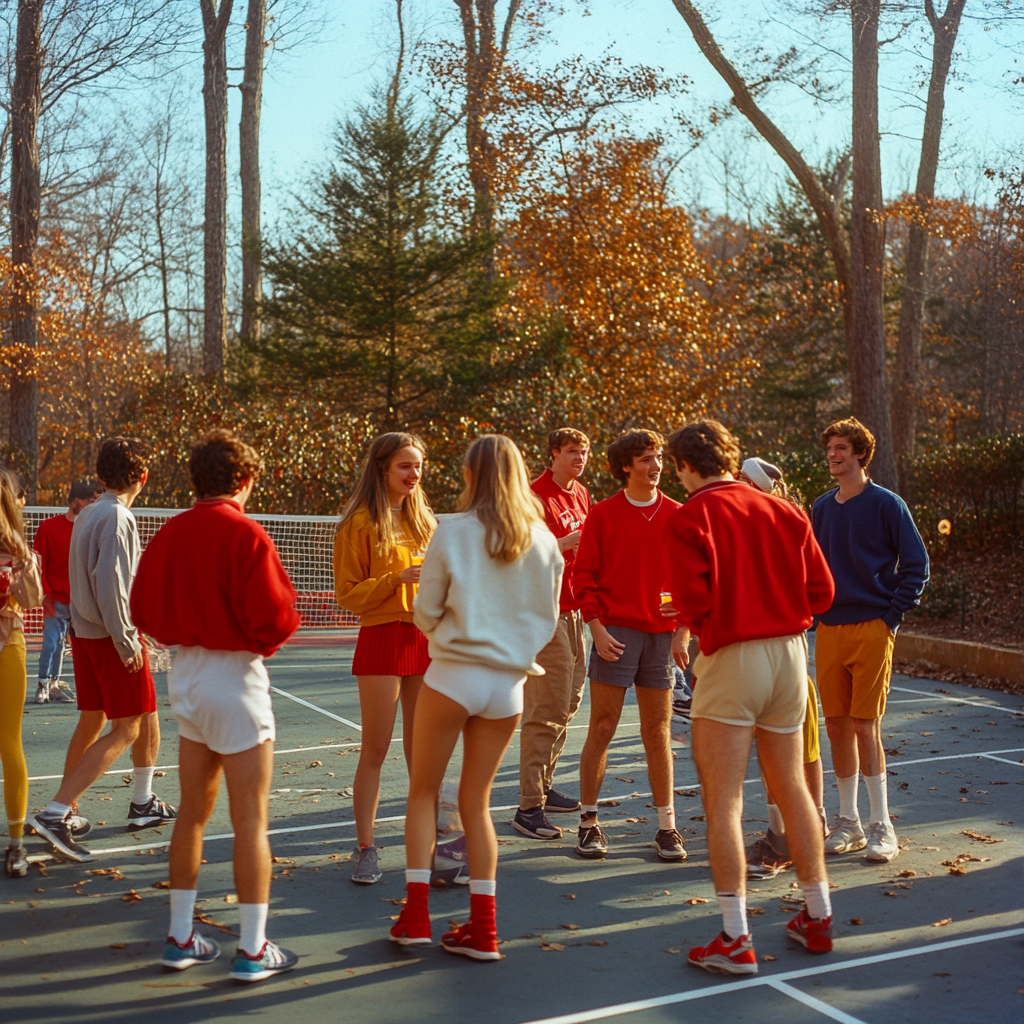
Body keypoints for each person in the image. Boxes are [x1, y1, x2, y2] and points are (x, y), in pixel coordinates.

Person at [663, 420, 837, 974]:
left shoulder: (690, 515)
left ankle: (735, 938)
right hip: (790, 655)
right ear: (731, 459)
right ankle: (818, 914)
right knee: (793, 787)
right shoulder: (785, 509)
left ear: (684, 466)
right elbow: (823, 592)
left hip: (733, 656)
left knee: (724, 800)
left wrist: (692, 613)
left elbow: (692, 598)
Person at [132, 429, 301, 982]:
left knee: (192, 814)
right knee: (251, 818)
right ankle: (253, 949)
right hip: (235, 680)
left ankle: (181, 937)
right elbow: (276, 621)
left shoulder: (171, 532)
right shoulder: (245, 532)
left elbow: (143, 608)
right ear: (245, 481)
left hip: (187, 678)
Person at [389, 435, 561, 961]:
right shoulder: (544, 540)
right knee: (478, 803)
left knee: (423, 793)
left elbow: (426, 609)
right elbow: (548, 623)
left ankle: (416, 916)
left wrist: (439, 622)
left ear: (471, 475)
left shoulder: (453, 531)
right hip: (507, 686)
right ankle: (483, 930)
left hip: (454, 676)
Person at [29, 438, 176, 862]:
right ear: (143, 476)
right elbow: (111, 584)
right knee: (126, 727)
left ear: (101, 474)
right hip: (111, 635)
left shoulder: (90, 512)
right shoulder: (116, 517)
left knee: (131, 713)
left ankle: (142, 802)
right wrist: (126, 637)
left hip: (88, 632)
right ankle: (57, 811)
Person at [812, 418, 929, 863]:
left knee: (866, 726)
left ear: (860, 453)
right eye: (830, 448)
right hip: (829, 630)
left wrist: (891, 618)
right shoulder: (821, 508)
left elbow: (916, 564)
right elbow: (811, 568)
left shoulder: (887, 504)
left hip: (872, 629)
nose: (833, 454)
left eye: (841, 448)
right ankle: (849, 822)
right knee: (837, 725)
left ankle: (882, 824)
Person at [572, 429, 688, 862]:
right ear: (625, 466)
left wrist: (683, 631)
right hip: (614, 634)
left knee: (658, 733)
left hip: (660, 639)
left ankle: (667, 827)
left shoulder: (677, 514)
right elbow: (583, 576)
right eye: (644, 459)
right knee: (602, 728)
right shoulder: (602, 514)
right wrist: (596, 629)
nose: (654, 465)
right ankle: (588, 824)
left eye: (657, 457)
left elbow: (688, 581)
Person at [333, 433, 436, 884]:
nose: (413, 475)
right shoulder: (357, 523)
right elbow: (347, 595)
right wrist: (396, 579)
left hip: (425, 639)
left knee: (424, 752)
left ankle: (429, 846)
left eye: (418, 467)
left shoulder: (426, 521)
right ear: (382, 469)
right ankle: (366, 848)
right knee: (375, 750)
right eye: (404, 467)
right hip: (381, 637)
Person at [734, 458, 827, 879]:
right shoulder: (780, 523)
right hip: (780, 652)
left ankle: (787, 838)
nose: (733, 485)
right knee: (792, 751)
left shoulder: (770, 528)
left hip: (773, 653)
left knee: (789, 753)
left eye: (740, 479)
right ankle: (800, 829)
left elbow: (820, 592)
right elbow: (821, 593)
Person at [514, 427, 593, 840]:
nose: (579, 459)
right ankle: (528, 808)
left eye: (584, 452)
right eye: (571, 452)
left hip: (578, 610)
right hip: (546, 612)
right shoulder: (534, 496)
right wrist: (568, 541)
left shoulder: (581, 493)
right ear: (553, 454)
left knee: (569, 703)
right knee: (546, 709)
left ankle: (542, 785)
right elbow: (522, 555)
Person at [0, 470, 43, 878]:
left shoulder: (16, 548)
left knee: (9, 742)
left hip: (6, 642)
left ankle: (15, 843)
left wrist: (25, 565)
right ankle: (14, 845)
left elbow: (32, 600)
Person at [32, 479, 103, 704]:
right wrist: (45, 594)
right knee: (51, 643)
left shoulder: (89, 529)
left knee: (63, 646)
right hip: (55, 599)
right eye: (90, 500)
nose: (93, 505)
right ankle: (42, 684)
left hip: (80, 601)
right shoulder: (49, 527)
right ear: (76, 500)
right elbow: (39, 563)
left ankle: (54, 685)